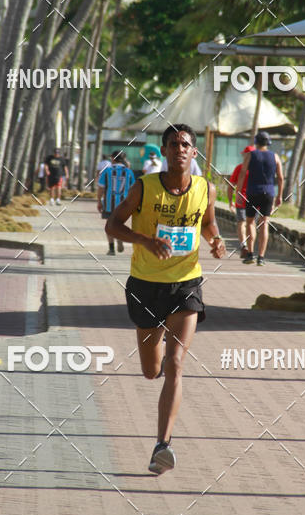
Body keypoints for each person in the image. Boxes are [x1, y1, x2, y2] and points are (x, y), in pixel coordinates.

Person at [105, 124, 226, 475]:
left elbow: (208, 223)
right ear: (163, 150)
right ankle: (155, 370)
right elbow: (112, 225)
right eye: (173, 144)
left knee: (175, 363)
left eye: (186, 144)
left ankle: (163, 445)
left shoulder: (206, 189)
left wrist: (215, 240)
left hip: (186, 284)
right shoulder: (145, 187)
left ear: (194, 152)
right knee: (151, 370)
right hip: (145, 285)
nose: (180, 149)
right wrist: (145, 241)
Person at [236, 131, 283, 266]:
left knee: (250, 222)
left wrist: (238, 193)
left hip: (253, 192)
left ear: (256, 142)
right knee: (265, 223)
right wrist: (279, 195)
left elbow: (242, 174)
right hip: (268, 192)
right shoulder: (275, 157)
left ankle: (250, 253)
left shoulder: (251, 155)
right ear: (268, 143)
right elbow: (280, 177)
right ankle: (261, 257)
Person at [98, 152, 135, 255]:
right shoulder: (129, 172)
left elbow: (101, 188)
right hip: (124, 204)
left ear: (113, 159)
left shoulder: (107, 171)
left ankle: (111, 248)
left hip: (109, 203)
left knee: (109, 224)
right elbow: (133, 189)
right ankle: (119, 237)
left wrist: (98, 201)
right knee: (120, 223)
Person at [228, 145, 255, 259]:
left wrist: (230, 201)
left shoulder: (239, 168)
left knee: (241, 223)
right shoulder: (258, 169)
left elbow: (231, 186)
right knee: (251, 224)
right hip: (254, 200)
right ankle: (249, 248)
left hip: (241, 200)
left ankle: (244, 245)